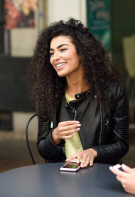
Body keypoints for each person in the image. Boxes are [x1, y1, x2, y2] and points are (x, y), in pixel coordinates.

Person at [29, 18, 129, 168]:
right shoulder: (49, 94)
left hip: (100, 176)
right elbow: (43, 150)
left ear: (82, 52)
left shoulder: (113, 91)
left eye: (62, 49)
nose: (55, 57)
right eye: (51, 53)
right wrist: (54, 136)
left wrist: (94, 152)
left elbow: (121, 144)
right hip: (60, 178)